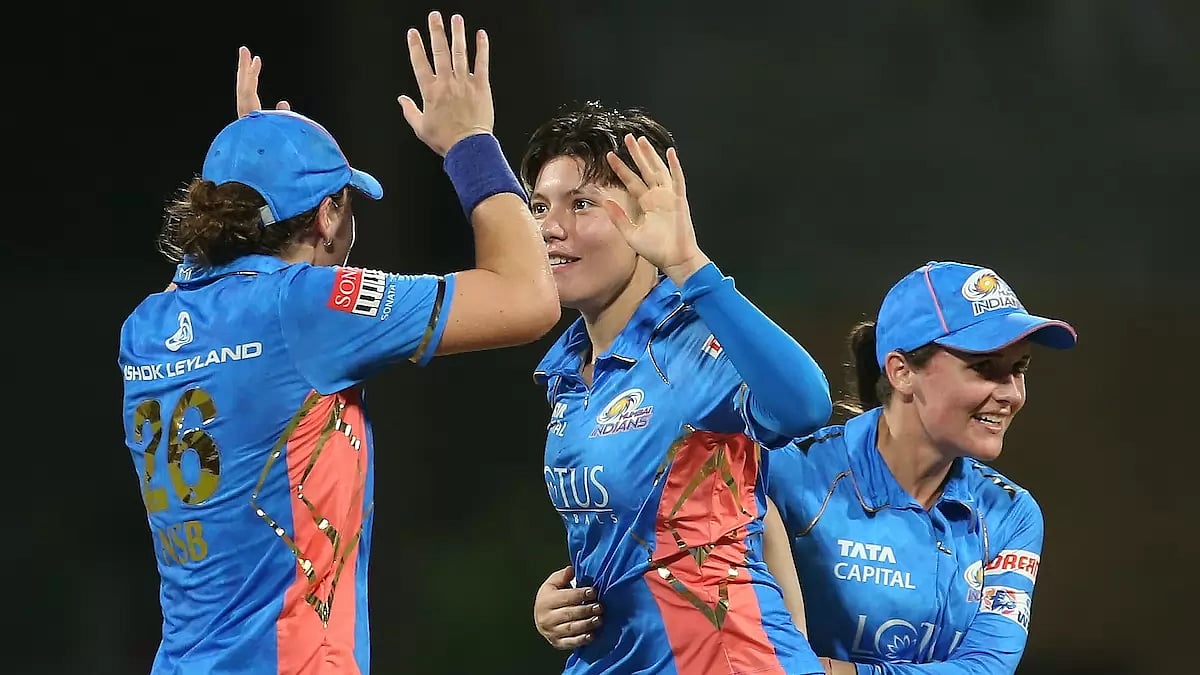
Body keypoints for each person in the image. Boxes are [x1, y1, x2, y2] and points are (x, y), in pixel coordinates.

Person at [119, 11, 557, 675]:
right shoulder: (305, 309)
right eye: (347, 206)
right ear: (328, 215)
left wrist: (251, 161)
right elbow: (528, 296)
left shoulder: (146, 327)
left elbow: (217, 279)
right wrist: (470, 143)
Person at [538, 260, 1077, 675]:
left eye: (1019, 370)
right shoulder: (787, 470)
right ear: (902, 371)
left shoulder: (1010, 514)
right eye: (985, 369)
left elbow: (988, 667)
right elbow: (654, 547)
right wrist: (565, 600)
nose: (1010, 393)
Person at [525, 102, 833, 674]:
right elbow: (728, 515)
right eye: (540, 206)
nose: (549, 227)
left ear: (645, 219)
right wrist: (558, 607)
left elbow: (807, 406)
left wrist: (688, 262)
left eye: (582, 204)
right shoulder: (566, 369)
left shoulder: (695, 341)